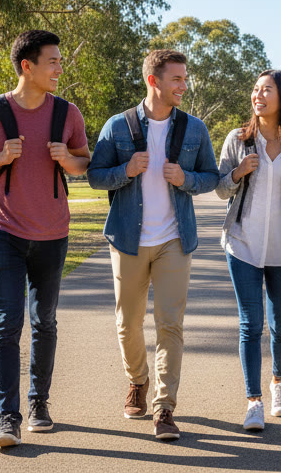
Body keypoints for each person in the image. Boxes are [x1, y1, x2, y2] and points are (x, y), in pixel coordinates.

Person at [0, 30, 91, 448]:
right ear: (27, 66)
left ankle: (38, 403)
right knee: (8, 325)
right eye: (53, 61)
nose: (60, 68)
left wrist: (69, 159)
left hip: (53, 232)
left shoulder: (68, 114)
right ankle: (7, 417)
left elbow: (84, 162)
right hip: (4, 231)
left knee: (45, 321)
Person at [87, 49, 220, 442]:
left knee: (170, 325)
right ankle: (137, 381)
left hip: (174, 241)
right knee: (128, 324)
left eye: (184, 78)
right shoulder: (118, 125)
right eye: (176, 79)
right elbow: (95, 176)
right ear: (153, 81)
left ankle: (164, 408)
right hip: (128, 239)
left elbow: (211, 176)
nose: (183, 85)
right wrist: (125, 171)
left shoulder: (194, 129)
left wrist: (186, 179)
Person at [214, 70, 281, 432]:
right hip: (242, 244)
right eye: (255, 89)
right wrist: (238, 172)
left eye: (267, 90)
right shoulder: (239, 139)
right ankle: (253, 401)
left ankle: (278, 382)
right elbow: (220, 190)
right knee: (250, 324)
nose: (258, 95)